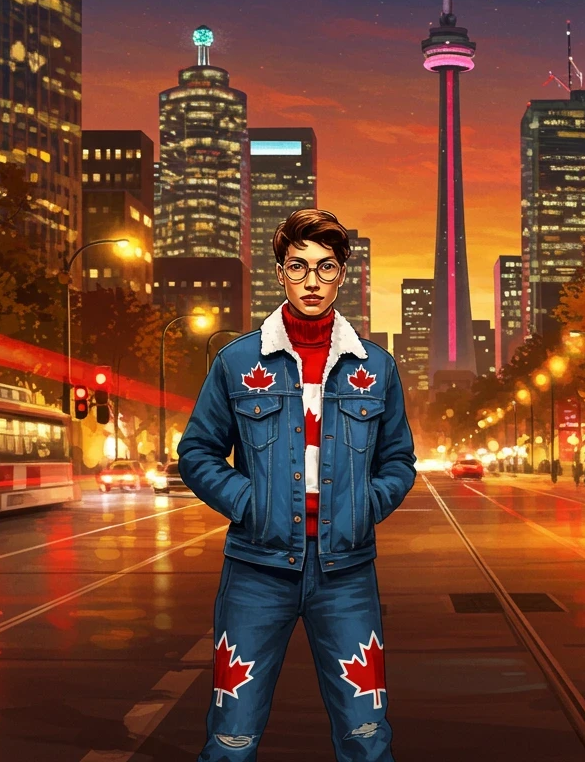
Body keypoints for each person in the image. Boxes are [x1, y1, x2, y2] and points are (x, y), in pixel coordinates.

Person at [178, 209, 414, 759]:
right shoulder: (236, 362)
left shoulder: (376, 368)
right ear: (280, 273)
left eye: (326, 268)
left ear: (343, 275)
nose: (312, 281)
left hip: (347, 573)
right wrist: (248, 503)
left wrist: (362, 507)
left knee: (367, 736)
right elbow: (196, 451)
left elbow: (399, 460)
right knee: (231, 736)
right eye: (299, 266)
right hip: (256, 571)